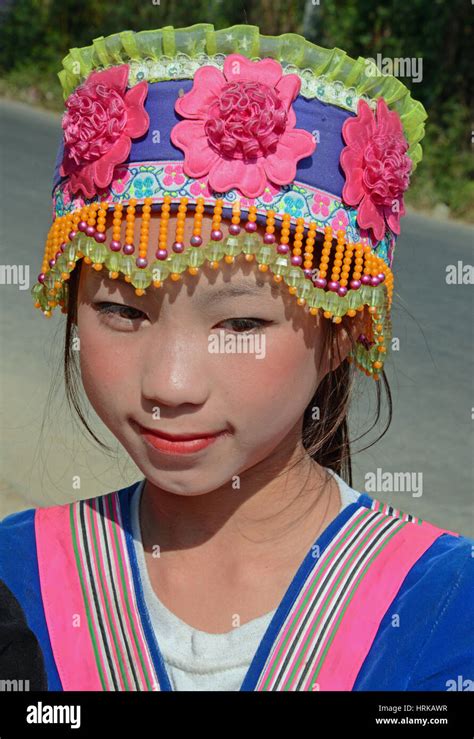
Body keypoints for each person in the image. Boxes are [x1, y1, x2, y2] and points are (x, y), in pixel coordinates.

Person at [0, 23, 472, 692]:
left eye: (242, 322)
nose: (170, 384)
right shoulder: (16, 577)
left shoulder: (447, 609)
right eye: (121, 311)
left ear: (345, 328)